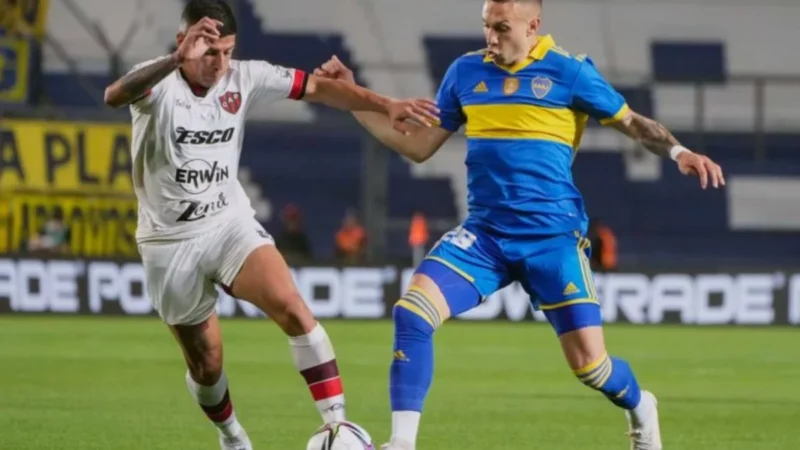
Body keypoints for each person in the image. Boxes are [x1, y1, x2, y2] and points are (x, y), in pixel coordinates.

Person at [314, 1, 725, 449]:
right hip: (485, 236)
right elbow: (417, 145)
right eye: (487, 27)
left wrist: (680, 152)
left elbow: (633, 123)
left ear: (533, 26)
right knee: (412, 312)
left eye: (502, 28)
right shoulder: (465, 72)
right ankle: (402, 443)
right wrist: (352, 98)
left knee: (592, 368)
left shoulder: (570, 72)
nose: (491, 38)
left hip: (552, 241)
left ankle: (641, 406)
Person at [102, 1, 439, 449]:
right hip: (169, 242)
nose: (220, 63)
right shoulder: (158, 83)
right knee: (206, 366)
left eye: (228, 51)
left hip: (228, 224)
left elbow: (319, 88)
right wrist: (175, 60)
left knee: (293, 308)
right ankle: (232, 435)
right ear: (184, 42)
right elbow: (114, 96)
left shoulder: (245, 77)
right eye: (209, 52)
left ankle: (336, 426)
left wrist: (387, 103)